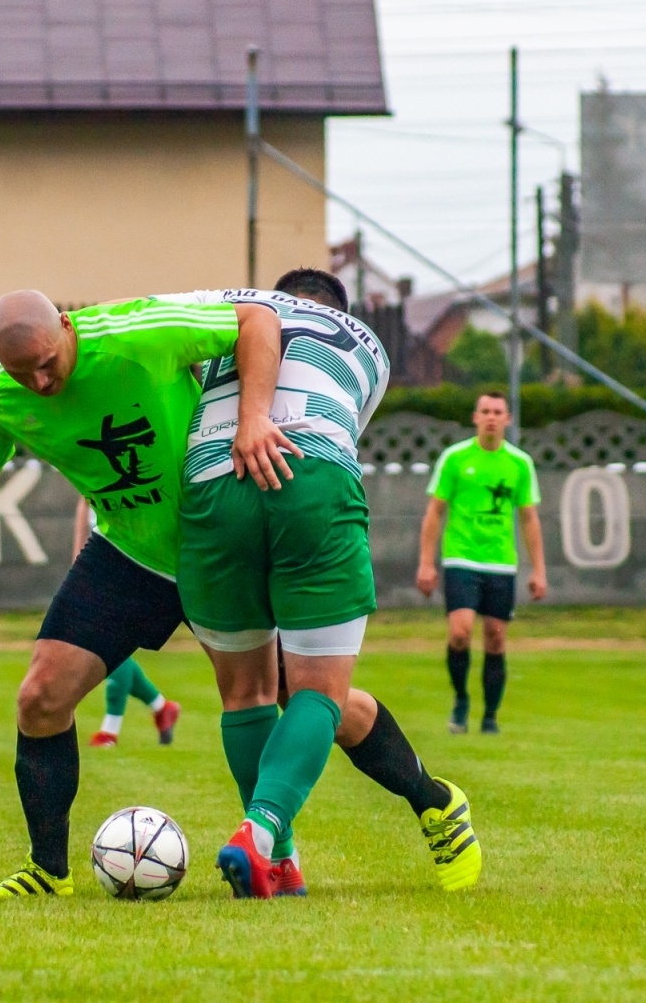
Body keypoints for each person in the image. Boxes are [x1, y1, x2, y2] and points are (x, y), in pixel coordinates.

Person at [0, 289, 295, 899]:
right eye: (19, 371)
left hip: (218, 544)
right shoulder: (1, 401)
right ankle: (46, 871)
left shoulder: (139, 336)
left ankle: (431, 803)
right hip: (132, 554)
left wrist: (253, 417)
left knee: (313, 699)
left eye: (45, 362)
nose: (38, 381)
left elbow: (257, 319)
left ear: (65, 326)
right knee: (40, 697)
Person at [174, 269, 482, 898]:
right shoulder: (369, 346)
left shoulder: (228, 307)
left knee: (253, 694)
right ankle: (270, 841)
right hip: (309, 476)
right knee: (318, 694)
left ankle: (288, 847)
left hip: (212, 484)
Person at [416, 391, 547, 735]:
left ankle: (489, 716)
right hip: (460, 557)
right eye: (485, 411)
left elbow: (529, 518)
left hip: (501, 563)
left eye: (498, 412)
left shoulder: (519, 463)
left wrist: (539, 570)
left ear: (508, 419)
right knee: (460, 633)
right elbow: (435, 511)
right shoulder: (455, 458)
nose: (491, 417)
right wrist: (426, 563)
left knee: (495, 638)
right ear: (475, 417)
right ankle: (460, 701)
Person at [72, 498, 180, 747]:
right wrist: (79, 557)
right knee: (113, 646)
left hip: (135, 560)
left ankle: (111, 730)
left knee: (111, 645)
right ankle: (162, 707)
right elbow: (83, 501)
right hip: (101, 558)